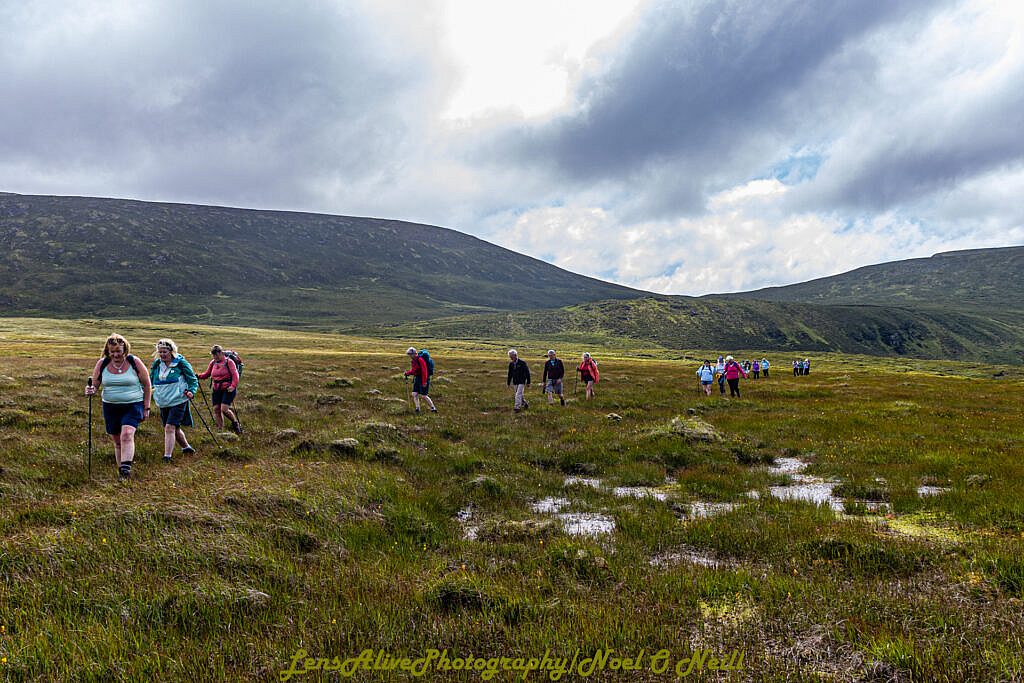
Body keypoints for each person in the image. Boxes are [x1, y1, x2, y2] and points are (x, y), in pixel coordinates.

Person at [85, 333, 152, 480]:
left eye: (119, 352)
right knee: (117, 441)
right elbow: (95, 385)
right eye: (112, 352)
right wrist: (91, 390)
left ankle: (125, 470)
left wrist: (146, 407)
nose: (116, 355)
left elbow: (147, 385)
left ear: (125, 350)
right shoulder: (102, 364)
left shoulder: (134, 362)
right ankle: (121, 472)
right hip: (110, 406)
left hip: (133, 404)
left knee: (127, 434)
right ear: (107, 351)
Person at [150, 339, 199, 463]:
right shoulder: (157, 364)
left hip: (178, 400)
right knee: (175, 428)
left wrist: (191, 391)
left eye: (164, 351)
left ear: (171, 351)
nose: (162, 354)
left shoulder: (181, 363)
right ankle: (186, 448)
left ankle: (167, 456)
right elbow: (150, 380)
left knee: (169, 427)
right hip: (163, 401)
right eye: (160, 352)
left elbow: (192, 380)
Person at [197, 344, 242, 433]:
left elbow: (235, 376)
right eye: (213, 355)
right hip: (216, 389)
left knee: (224, 409)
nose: (215, 357)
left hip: (228, 389)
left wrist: (233, 386)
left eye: (216, 355)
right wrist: (198, 376)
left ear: (221, 353)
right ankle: (220, 429)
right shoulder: (213, 362)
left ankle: (235, 424)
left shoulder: (229, 362)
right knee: (216, 409)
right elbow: (207, 374)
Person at [404, 347, 437, 413]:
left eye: (410, 354)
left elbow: (424, 371)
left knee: (424, 395)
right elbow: (414, 370)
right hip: (417, 378)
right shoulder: (414, 361)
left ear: (414, 353)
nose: (409, 356)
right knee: (414, 394)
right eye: (409, 354)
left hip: (423, 378)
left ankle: (433, 408)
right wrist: (407, 373)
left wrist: (424, 382)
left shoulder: (420, 359)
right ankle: (417, 409)